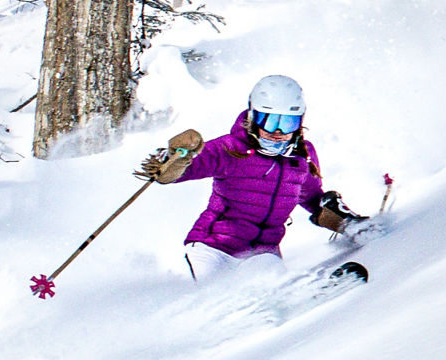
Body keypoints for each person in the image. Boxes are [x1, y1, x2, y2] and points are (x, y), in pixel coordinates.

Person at [136, 75, 373, 281]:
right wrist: (175, 161)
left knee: (268, 277)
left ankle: (305, 296)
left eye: (287, 122)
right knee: (215, 294)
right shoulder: (232, 149)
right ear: (254, 117)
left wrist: (341, 220)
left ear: (299, 122)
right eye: (270, 121)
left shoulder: (302, 157)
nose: (278, 132)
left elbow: (312, 198)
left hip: (263, 252)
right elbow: (189, 167)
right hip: (213, 248)